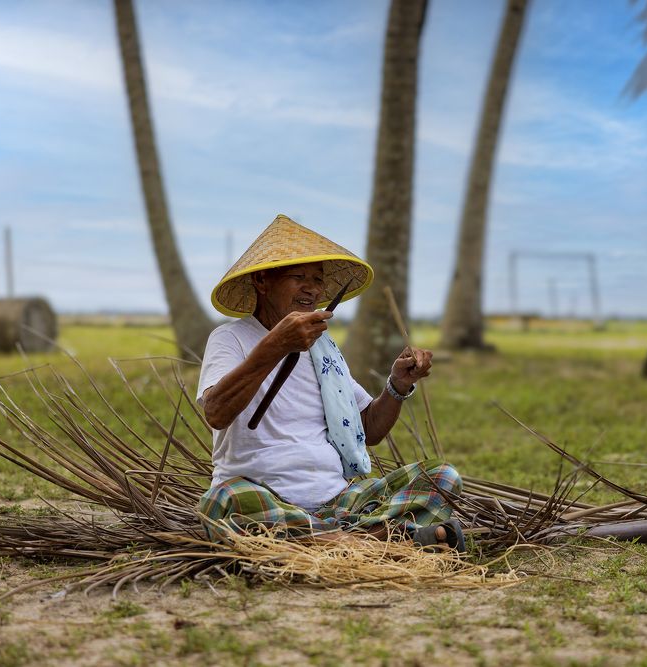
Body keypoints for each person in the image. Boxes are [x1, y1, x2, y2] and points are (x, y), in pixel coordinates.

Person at [196, 214, 464, 551]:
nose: (313, 288)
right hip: (264, 497)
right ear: (262, 281)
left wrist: (397, 384)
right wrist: (276, 345)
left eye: (318, 279)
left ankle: (340, 540)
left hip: (339, 501)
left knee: (442, 478)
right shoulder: (230, 338)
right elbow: (217, 413)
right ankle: (382, 541)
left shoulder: (322, 349)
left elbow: (369, 428)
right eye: (299, 277)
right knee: (223, 500)